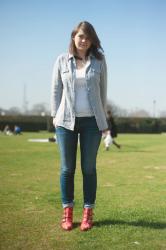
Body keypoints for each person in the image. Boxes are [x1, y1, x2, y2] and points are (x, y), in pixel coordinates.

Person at [51, 21, 108, 231]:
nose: (83, 40)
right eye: (80, 36)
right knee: (67, 169)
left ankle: (88, 213)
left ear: (92, 40)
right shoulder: (61, 60)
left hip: (92, 123)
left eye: (87, 37)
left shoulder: (100, 61)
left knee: (89, 168)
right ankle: (67, 213)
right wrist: (54, 116)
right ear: (73, 37)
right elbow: (55, 91)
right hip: (65, 122)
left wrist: (103, 122)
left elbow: (103, 93)